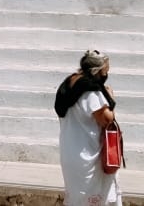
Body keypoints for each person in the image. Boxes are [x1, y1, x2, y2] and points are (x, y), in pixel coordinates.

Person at [55, 49, 122, 206]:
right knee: (95, 197)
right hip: (89, 154)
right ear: (97, 71)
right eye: (106, 71)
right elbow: (107, 119)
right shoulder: (91, 92)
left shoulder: (68, 85)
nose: (106, 75)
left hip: (71, 152)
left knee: (77, 198)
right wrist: (111, 98)